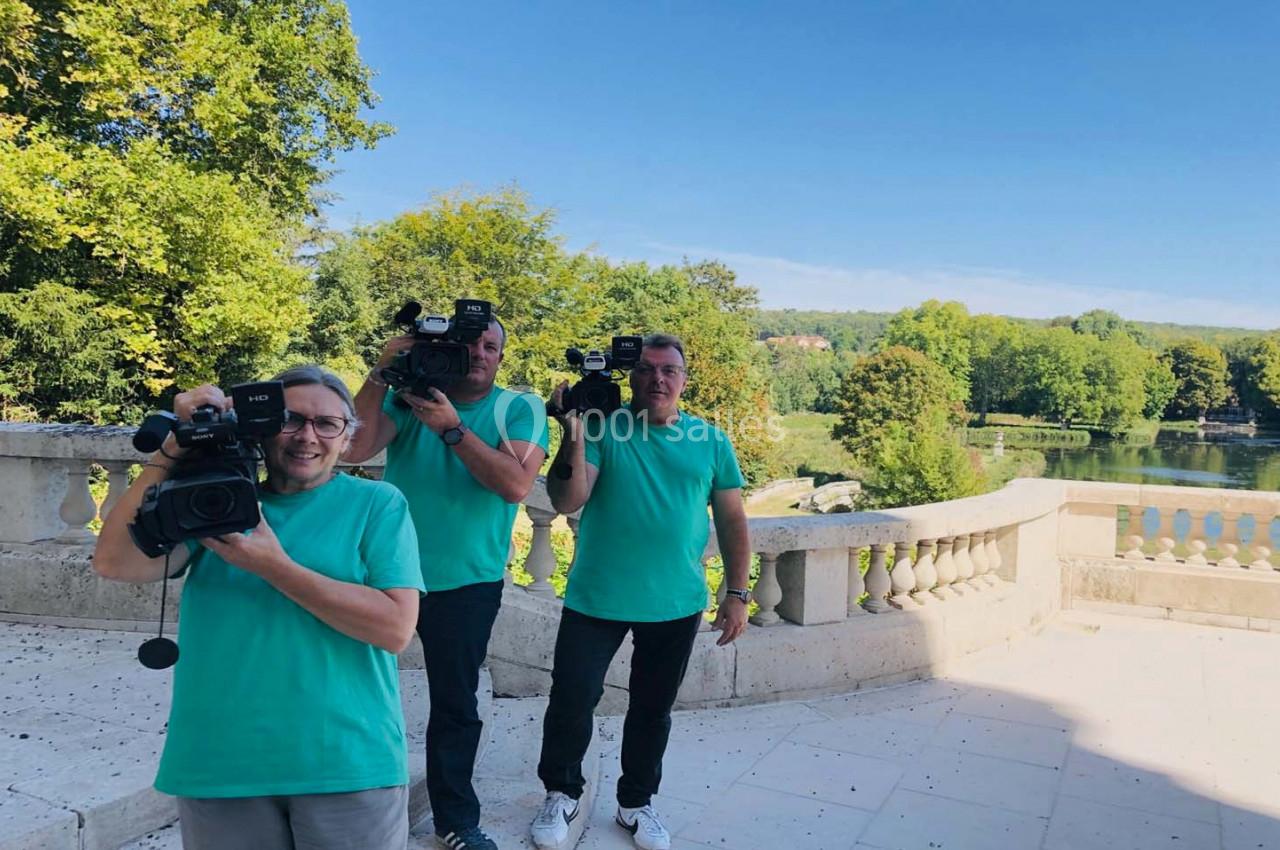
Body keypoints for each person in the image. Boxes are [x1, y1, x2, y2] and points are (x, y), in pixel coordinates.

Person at [93, 365, 424, 850]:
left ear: (347, 437)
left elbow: (395, 628)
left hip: (345, 763)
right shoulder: (214, 500)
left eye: (327, 424)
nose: (307, 436)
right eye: (290, 420)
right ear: (261, 428)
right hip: (221, 762)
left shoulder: (378, 505)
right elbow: (114, 562)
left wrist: (273, 565)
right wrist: (171, 454)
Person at [530, 333, 752, 850]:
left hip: (675, 601)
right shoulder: (604, 430)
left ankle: (636, 803)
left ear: (683, 379)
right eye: (648, 369)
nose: (658, 378)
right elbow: (566, 499)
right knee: (571, 699)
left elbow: (734, 521)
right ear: (632, 377)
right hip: (596, 597)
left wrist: (737, 591)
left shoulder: (711, 441)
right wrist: (572, 433)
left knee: (653, 709)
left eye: (669, 370)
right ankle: (561, 793)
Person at [345, 314, 549, 850]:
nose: (478, 353)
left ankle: (457, 821)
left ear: (501, 356)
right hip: (386, 574)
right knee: (355, 690)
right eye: (468, 343)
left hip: (468, 582)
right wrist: (381, 372)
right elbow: (352, 449)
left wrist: (451, 428)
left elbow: (514, 484)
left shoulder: (517, 407)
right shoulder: (410, 394)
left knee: (456, 705)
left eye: (490, 345)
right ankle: (350, 801)